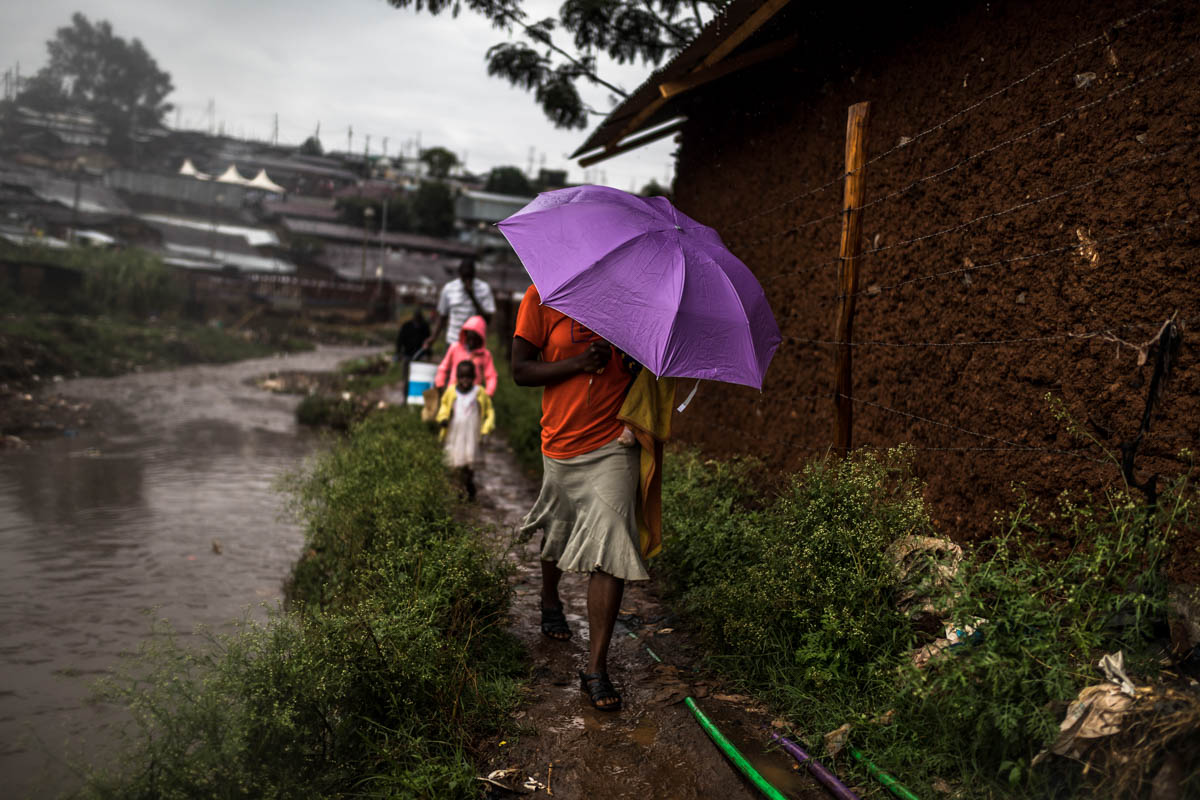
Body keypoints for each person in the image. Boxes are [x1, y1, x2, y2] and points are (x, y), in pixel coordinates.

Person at [511, 283, 642, 712]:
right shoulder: (542, 296)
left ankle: (596, 668)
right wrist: (578, 362)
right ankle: (551, 598)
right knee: (560, 526)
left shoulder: (632, 301)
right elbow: (520, 370)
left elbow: (646, 370)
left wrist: (633, 362)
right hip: (562, 441)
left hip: (613, 443)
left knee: (612, 544)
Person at [436, 360, 495, 501]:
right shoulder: (451, 391)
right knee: (455, 462)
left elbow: (489, 412)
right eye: (462, 377)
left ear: (474, 377)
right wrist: (443, 418)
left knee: (469, 461)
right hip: (455, 433)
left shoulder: (479, 392)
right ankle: (458, 489)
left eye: (468, 377)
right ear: (457, 377)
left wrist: (486, 428)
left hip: (472, 434)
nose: (465, 380)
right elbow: (444, 406)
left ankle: (469, 485)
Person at [425, 257, 495, 355]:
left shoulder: (484, 288)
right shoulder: (449, 288)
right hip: (453, 341)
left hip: (474, 344)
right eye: (464, 276)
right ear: (459, 273)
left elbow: (488, 319)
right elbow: (442, 316)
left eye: (469, 276)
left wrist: (472, 296)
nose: (467, 280)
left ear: (474, 274)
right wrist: (433, 337)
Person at [434, 315, 498, 396]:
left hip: (474, 397)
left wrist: (488, 394)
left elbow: (491, 376)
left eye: (475, 339)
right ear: (465, 334)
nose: (472, 342)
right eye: (470, 338)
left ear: (481, 338)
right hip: (453, 394)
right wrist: (440, 384)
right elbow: (443, 368)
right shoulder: (455, 348)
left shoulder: (485, 355)